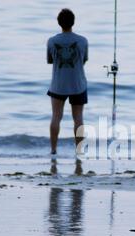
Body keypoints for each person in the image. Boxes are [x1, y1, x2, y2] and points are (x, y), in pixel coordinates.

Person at [47, 8, 88, 160]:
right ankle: (79, 151)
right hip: (78, 84)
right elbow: (84, 60)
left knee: (56, 116)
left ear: (59, 23)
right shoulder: (83, 40)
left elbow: (50, 60)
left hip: (58, 84)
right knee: (78, 118)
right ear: (73, 22)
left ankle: (53, 151)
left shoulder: (52, 41)